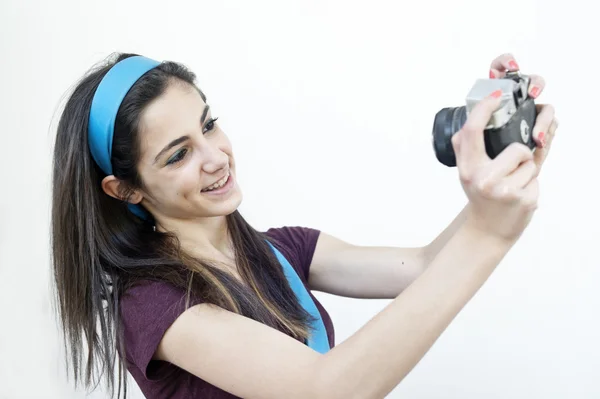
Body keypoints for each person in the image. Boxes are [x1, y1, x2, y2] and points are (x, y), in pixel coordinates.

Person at [50, 51, 558, 399]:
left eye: (208, 125)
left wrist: (509, 172)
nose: (215, 157)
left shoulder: (283, 250)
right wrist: (491, 230)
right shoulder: (154, 306)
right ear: (126, 189)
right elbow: (328, 388)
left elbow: (425, 267)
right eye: (179, 154)